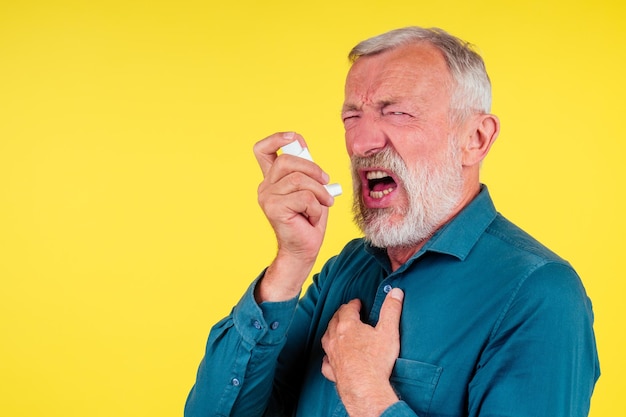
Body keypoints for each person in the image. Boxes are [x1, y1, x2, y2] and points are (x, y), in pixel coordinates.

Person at [184, 26, 600, 417]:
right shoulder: (346, 269)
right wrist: (290, 262)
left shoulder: (540, 294)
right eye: (352, 118)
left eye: (397, 113)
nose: (362, 142)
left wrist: (368, 393)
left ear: (474, 140)